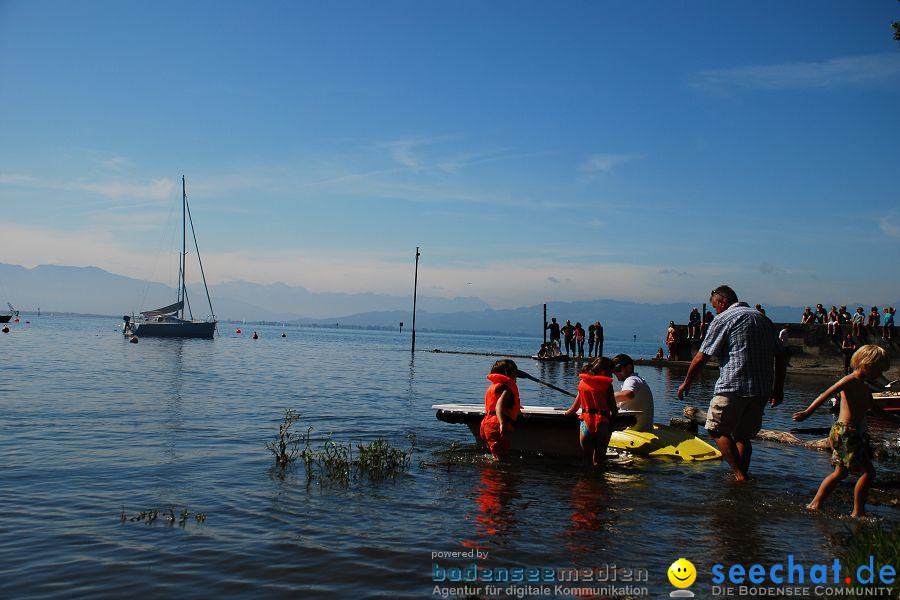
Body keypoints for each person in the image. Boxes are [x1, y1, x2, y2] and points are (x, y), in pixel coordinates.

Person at [677, 285, 787, 481]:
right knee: (742, 436)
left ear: (723, 301)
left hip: (732, 385)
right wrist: (778, 389)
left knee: (714, 429)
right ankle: (742, 479)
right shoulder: (763, 319)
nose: (715, 311)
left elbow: (702, 356)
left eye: (715, 306)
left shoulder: (724, 318)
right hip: (761, 389)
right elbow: (782, 356)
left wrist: (686, 383)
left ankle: (739, 476)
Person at [792, 345, 890, 517]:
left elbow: (876, 412)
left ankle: (815, 504)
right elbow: (826, 393)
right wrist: (807, 412)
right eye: (878, 371)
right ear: (868, 365)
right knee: (869, 472)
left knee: (841, 472)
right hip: (846, 432)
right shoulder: (850, 380)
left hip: (849, 433)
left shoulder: (865, 387)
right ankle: (857, 512)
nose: (880, 376)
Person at [564, 358, 616, 467]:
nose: (612, 375)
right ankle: (598, 483)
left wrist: (565, 415)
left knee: (586, 463)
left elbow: (574, 408)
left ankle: (585, 482)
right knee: (599, 462)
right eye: (611, 372)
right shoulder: (607, 386)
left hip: (585, 426)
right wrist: (611, 426)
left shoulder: (582, 383)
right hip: (601, 424)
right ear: (603, 372)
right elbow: (614, 410)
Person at [480, 359, 521, 460]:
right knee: (500, 459)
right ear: (509, 374)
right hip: (496, 426)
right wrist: (502, 423)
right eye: (515, 373)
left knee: (495, 456)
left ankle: (489, 473)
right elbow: (499, 405)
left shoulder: (494, 386)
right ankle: (497, 474)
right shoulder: (507, 388)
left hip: (486, 424)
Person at [612, 354, 654, 432]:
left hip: (635, 429)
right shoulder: (639, 379)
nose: (615, 373)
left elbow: (628, 394)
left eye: (618, 369)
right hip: (645, 427)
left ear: (629, 367)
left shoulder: (631, 380)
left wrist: (605, 396)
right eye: (613, 370)